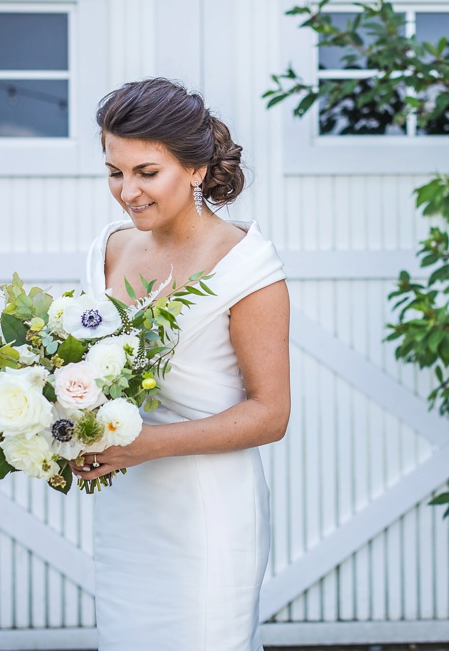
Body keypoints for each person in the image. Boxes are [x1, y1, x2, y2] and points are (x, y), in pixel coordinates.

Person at [72, 77, 290, 651]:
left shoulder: (247, 267)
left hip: (207, 512)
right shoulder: (110, 248)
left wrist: (142, 445)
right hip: (126, 510)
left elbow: (271, 414)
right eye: (115, 172)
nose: (127, 191)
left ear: (196, 169)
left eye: (147, 173)